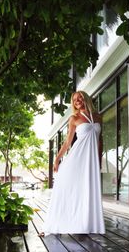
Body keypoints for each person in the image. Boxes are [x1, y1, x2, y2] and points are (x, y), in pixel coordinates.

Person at [39, 91, 105, 236]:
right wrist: (57, 159)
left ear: (85, 98)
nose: (77, 100)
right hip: (77, 157)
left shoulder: (98, 117)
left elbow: (100, 141)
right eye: (74, 99)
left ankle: (86, 224)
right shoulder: (74, 118)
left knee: (87, 189)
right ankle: (54, 223)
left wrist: (99, 161)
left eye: (79, 97)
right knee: (67, 186)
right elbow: (68, 142)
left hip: (91, 161)